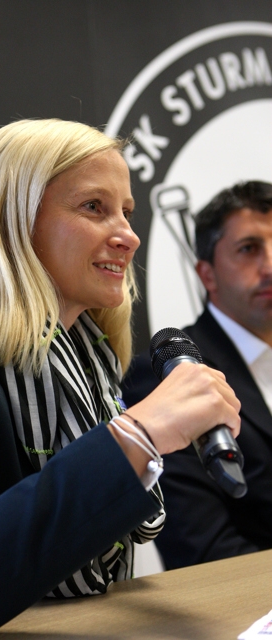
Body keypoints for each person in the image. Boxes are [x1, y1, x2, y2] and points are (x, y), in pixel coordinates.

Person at [0, 119, 240, 639]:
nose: (128, 234)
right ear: (12, 222)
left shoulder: (88, 353)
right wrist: (137, 436)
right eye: (94, 207)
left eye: (126, 211)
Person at [123, 180, 272, 569]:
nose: (270, 265)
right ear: (206, 274)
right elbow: (204, 553)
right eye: (249, 249)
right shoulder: (169, 375)